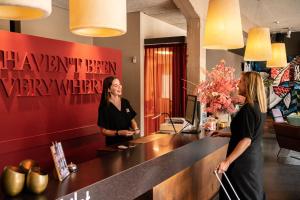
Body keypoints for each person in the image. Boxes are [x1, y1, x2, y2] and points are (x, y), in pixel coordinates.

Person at [212, 71, 267, 200]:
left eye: (241, 81)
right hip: (253, 159)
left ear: (248, 85)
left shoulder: (248, 109)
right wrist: (224, 134)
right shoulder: (259, 107)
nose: (238, 84)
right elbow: (249, 133)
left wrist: (226, 162)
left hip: (242, 163)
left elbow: (246, 140)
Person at [98, 76, 140, 145]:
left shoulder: (125, 102)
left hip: (129, 142)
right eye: (115, 85)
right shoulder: (104, 106)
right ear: (108, 89)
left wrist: (135, 128)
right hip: (113, 145)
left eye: (119, 84)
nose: (119, 87)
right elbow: (103, 131)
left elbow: (132, 120)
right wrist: (119, 133)